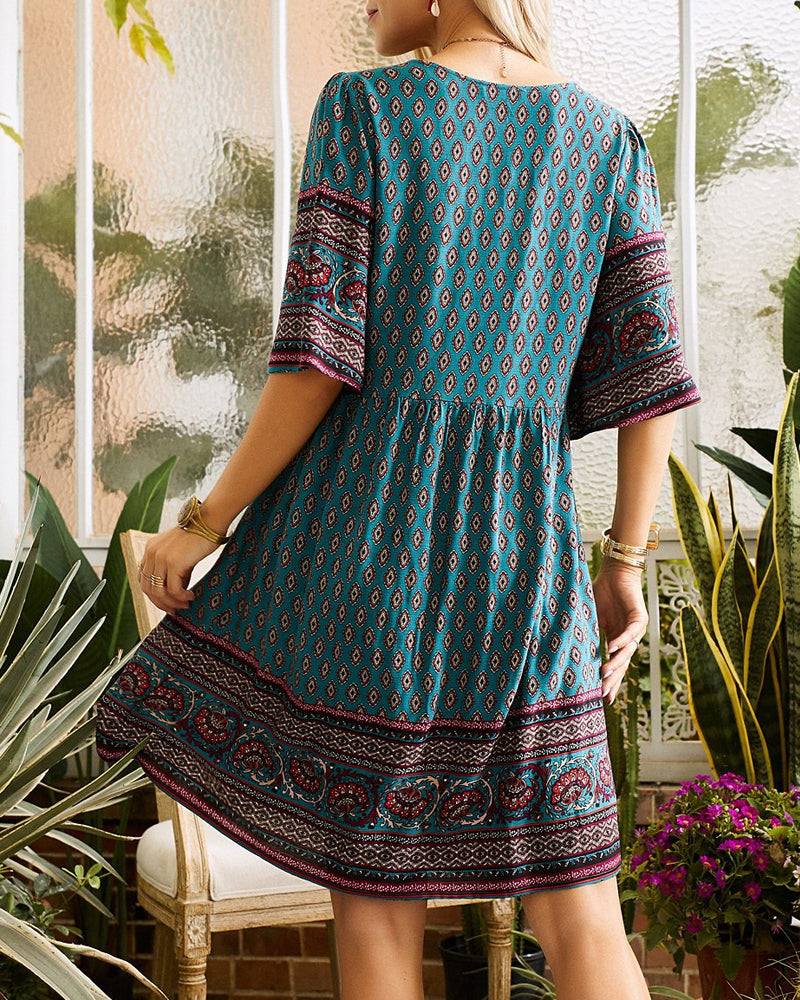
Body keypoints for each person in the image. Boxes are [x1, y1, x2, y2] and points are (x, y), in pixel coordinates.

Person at [94, 1, 701, 998]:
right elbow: (651, 379)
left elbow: (315, 363)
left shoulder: (366, 110)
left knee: (377, 902)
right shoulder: (608, 140)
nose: (364, 4)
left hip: (372, 548)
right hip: (527, 565)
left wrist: (206, 521)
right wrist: (623, 562)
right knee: (578, 906)